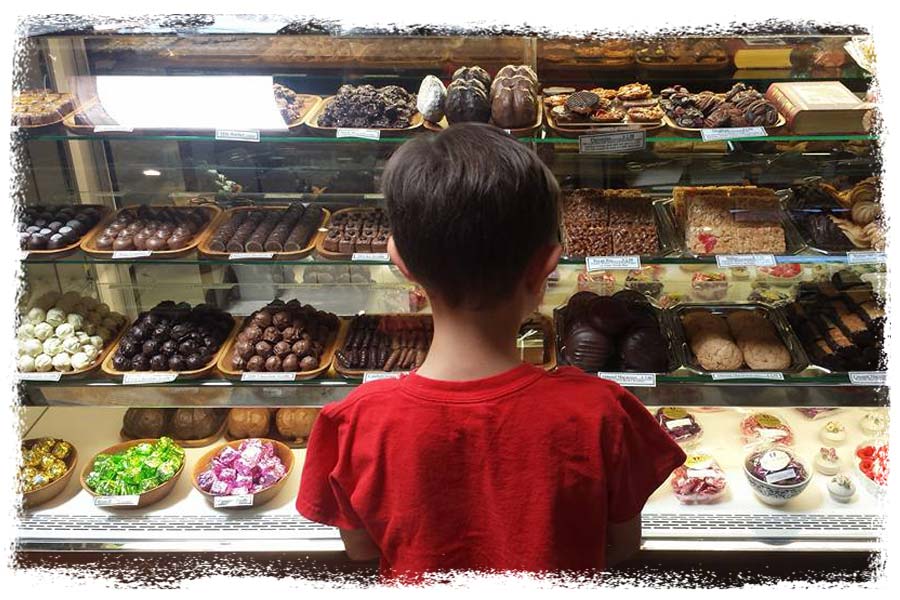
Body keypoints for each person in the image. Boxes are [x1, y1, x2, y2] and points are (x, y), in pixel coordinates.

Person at [296, 122, 686, 581]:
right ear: (547, 268)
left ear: (399, 261)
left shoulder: (354, 423)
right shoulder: (602, 413)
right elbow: (621, 545)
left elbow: (361, 549)